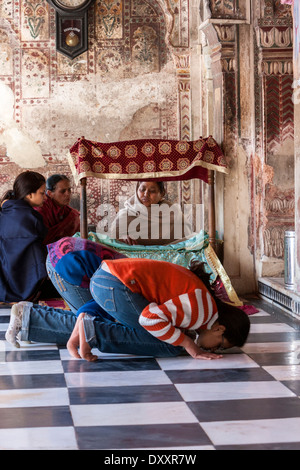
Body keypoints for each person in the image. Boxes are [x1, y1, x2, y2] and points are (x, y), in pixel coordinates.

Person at [5, 258, 250, 362]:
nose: (212, 348)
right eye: (219, 343)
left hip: (108, 279)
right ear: (219, 327)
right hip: (114, 284)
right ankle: (91, 330)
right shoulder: (201, 312)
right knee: (170, 344)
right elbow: (150, 318)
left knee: (164, 334)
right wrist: (188, 345)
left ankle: (29, 317)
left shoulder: (203, 307)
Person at [0, 171, 50, 302]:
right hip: (23, 280)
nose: (45, 197)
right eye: (41, 193)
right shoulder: (29, 217)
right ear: (29, 194)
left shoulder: (6, 210)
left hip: (4, 278)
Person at [109, 181, 193, 245]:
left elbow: (188, 241)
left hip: (169, 261)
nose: (146, 194)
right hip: (132, 262)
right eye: (142, 190)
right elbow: (111, 243)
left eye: (152, 191)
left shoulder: (173, 213)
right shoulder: (125, 215)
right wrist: (121, 239)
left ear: (162, 194)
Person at [35, 174, 80, 245]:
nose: (68, 194)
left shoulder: (71, 214)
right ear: (50, 193)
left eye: (69, 190)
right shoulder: (41, 210)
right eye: (63, 191)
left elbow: (78, 238)